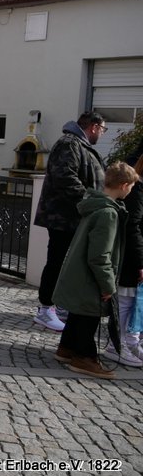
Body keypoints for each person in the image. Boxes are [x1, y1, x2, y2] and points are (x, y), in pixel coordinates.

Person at [53, 162, 138, 379]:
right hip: (89, 276)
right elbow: (100, 255)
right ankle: (84, 357)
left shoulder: (95, 204)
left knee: (78, 312)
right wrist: (108, 285)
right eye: (131, 186)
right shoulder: (108, 213)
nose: (131, 190)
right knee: (89, 315)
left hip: (79, 271)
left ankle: (66, 348)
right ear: (124, 185)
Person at [33, 112, 106, 331]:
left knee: (68, 264)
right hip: (63, 218)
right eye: (102, 130)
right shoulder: (69, 144)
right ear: (94, 127)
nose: (102, 134)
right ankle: (46, 310)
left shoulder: (80, 145)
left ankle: (59, 306)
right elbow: (65, 178)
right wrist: (91, 199)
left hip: (74, 217)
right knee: (56, 262)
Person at [108, 155, 143, 366]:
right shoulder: (136, 191)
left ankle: (129, 342)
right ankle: (116, 345)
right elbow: (133, 228)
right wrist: (140, 262)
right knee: (126, 301)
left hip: (135, 254)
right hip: (130, 256)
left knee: (134, 302)